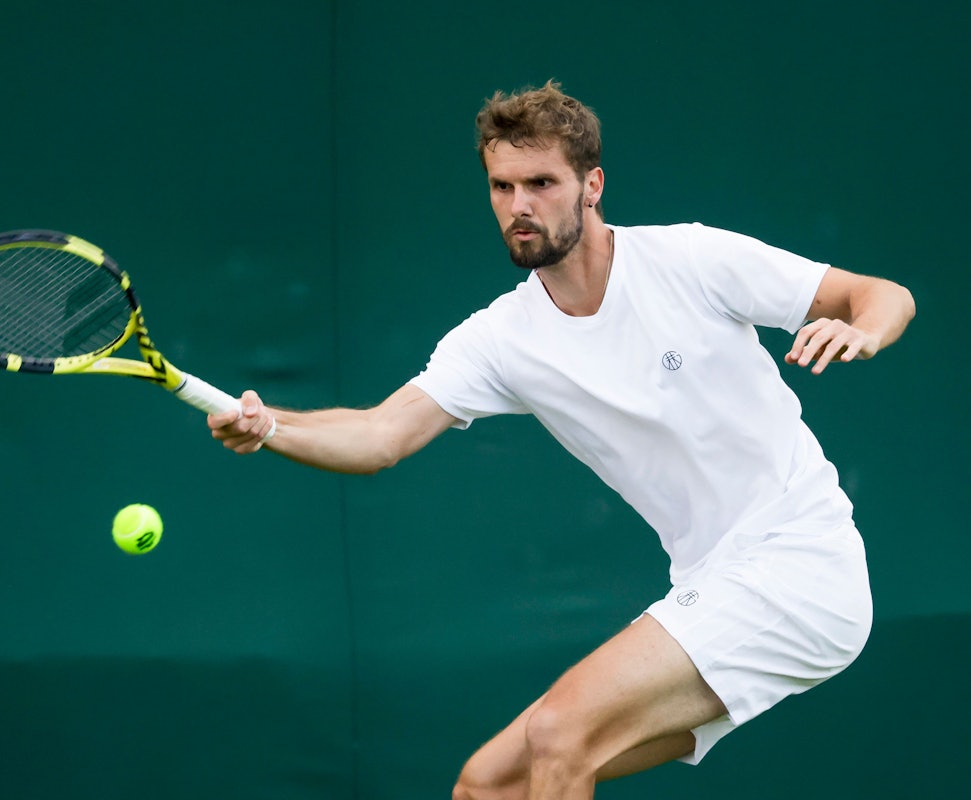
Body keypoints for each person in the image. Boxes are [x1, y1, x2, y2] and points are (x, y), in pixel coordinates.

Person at [209, 81, 915, 799]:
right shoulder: (499, 340)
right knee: (489, 785)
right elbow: (379, 434)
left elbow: (883, 294)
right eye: (502, 186)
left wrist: (861, 329)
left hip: (797, 565)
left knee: (559, 733)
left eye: (541, 183)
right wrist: (271, 427)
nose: (519, 206)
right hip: (713, 580)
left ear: (591, 185)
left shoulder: (690, 261)